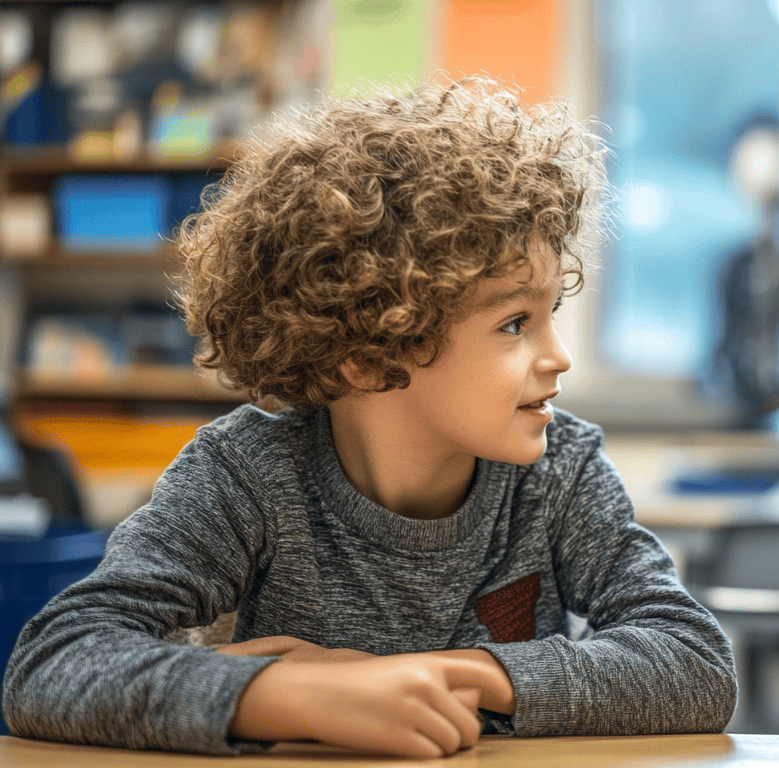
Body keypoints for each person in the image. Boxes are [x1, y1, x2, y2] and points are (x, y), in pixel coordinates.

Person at [2, 79, 736, 758]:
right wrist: (288, 695)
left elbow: (694, 662)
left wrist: (443, 675)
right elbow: (53, 660)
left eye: (553, 315)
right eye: (516, 324)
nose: (561, 356)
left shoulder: (561, 471)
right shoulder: (250, 475)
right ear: (363, 354)